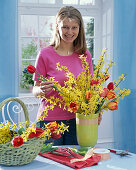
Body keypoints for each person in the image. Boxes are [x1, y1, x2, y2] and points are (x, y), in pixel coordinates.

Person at [33, 6, 102, 145]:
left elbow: (90, 88)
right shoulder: (45, 54)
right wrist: (41, 90)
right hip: (49, 122)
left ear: (79, 28)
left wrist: (97, 109)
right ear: (57, 26)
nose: (69, 32)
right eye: (65, 27)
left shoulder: (85, 55)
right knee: (50, 166)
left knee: (78, 163)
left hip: (79, 120)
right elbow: (35, 89)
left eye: (74, 27)